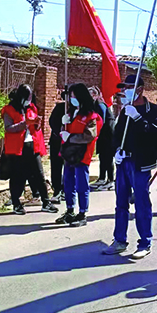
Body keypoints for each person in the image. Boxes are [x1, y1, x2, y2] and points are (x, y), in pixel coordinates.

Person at [102, 75, 157, 259]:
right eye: (124, 87)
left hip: (141, 163)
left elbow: (154, 134)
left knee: (141, 202)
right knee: (121, 202)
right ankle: (119, 240)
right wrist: (116, 151)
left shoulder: (153, 110)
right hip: (124, 162)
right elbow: (117, 134)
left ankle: (145, 242)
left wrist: (137, 118)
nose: (125, 91)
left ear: (139, 89)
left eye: (129, 87)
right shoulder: (124, 110)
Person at [2, 84, 59, 215]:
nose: (28, 100)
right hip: (17, 148)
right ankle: (16, 203)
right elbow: (9, 128)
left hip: (32, 145)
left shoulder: (32, 107)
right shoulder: (9, 110)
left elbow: (35, 127)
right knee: (17, 176)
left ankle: (46, 202)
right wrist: (25, 124)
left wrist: (37, 124)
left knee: (39, 174)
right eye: (26, 97)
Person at [56, 83, 102, 227]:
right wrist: (63, 125)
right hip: (68, 153)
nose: (71, 99)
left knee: (81, 184)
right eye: (70, 96)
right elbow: (64, 131)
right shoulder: (71, 114)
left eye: (74, 96)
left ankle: (82, 212)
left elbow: (89, 136)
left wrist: (70, 137)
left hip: (82, 154)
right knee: (68, 183)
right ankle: (70, 210)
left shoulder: (91, 116)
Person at [89, 86, 116, 191]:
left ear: (95, 95)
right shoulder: (94, 105)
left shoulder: (101, 105)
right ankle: (101, 178)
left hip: (108, 134)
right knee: (102, 156)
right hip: (102, 135)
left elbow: (101, 121)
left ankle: (110, 180)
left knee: (108, 157)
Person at [48, 90, 67, 203]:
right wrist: (59, 132)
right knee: (56, 166)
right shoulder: (60, 108)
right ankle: (57, 189)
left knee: (69, 167)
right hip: (57, 141)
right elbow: (52, 121)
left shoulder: (76, 109)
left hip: (70, 142)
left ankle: (67, 189)